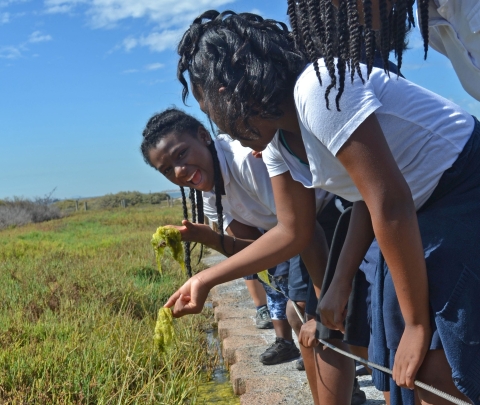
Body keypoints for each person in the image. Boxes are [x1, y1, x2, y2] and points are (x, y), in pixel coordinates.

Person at [166, 10, 480, 405]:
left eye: (209, 109)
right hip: (413, 212)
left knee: (436, 364)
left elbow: (389, 201)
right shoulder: (280, 143)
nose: (218, 126)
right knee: (402, 370)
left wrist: (416, 323)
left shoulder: (319, 89)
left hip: (461, 189)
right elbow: (293, 231)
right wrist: (205, 281)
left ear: (230, 89)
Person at [140, 108, 339, 402]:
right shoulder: (209, 192)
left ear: (204, 136)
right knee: (301, 318)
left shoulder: (246, 160)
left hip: (330, 215)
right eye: (167, 170)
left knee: (315, 318)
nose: (179, 171)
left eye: (181, 154)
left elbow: (298, 230)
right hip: (301, 236)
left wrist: (205, 279)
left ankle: (342, 389)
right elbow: (255, 251)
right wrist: (208, 238)